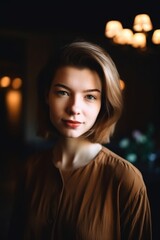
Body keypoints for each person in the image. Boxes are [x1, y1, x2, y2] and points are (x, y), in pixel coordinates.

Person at [8, 40, 152, 239]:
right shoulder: (30, 169)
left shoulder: (126, 180)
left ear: (104, 104)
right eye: (63, 92)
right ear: (46, 96)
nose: (74, 108)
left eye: (90, 97)